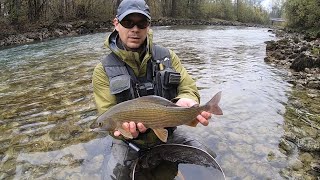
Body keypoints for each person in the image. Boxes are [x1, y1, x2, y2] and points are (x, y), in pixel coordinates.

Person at [92, 0, 216, 179]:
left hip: (168, 131)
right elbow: (107, 114)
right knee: (114, 176)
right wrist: (122, 133)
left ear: (148, 26)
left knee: (208, 158)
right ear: (116, 24)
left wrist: (187, 99)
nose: (135, 29)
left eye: (141, 23)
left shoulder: (167, 57)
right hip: (129, 143)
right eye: (128, 22)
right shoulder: (103, 70)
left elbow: (187, 86)